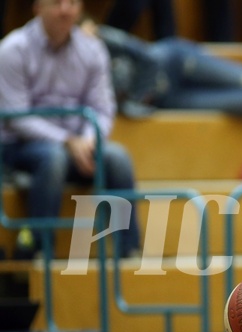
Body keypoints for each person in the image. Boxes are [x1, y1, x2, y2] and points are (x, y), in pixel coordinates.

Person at [0, 0, 140, 259]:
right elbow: (15, 117)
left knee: (117, 158)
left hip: (78, 144)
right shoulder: (12, 49)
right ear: (37, 7)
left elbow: (103, 108)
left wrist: (88, 140)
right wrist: (67, 141)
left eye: (72, 3)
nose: (65, 9)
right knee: (53, 157)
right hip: (20, 146)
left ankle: (128, 252)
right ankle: (40, 249)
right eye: (56, 3)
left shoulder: (92, 49)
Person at [80, 20, 242, 117]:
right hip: (169, 99)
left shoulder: (95, 43)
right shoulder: (79, 82)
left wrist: (102, 35)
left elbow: (147, 58)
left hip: (174, 62)